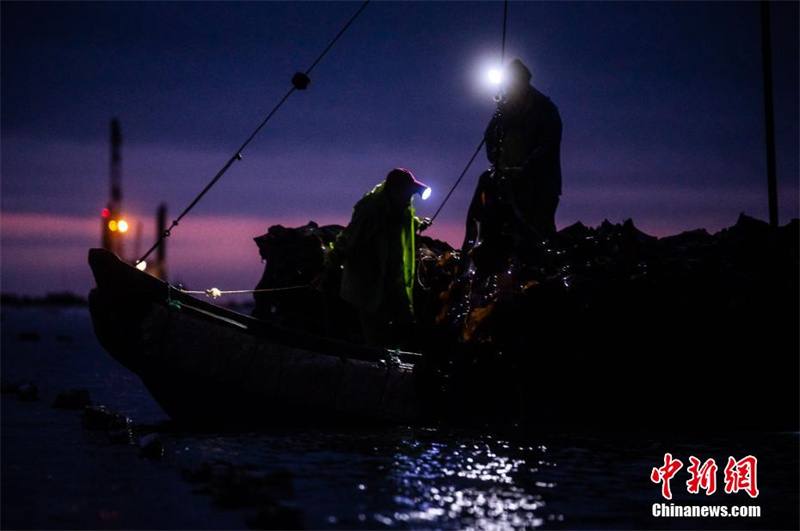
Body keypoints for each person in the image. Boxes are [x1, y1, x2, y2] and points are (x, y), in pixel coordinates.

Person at [463, 58, 562, 254]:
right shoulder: (505, 110)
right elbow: (490, 136)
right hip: (508, 183)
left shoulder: (545, 109)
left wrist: (525, 168)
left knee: (536, 235)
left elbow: (549, 145)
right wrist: (497, 160)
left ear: (525, 82)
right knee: (501, 231)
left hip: (539, 186)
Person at [324, 168, 431, 347]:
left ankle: (395, 361)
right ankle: (375, 365)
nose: (409, 198)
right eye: (407, 193)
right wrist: (330, 265)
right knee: (375, 330)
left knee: (403, 322)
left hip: (393, 278)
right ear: (394, 191)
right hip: (369, 281)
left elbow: (398, 228)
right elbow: (350, 238)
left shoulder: (401, 209)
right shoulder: (370, 209)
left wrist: (418, 224)